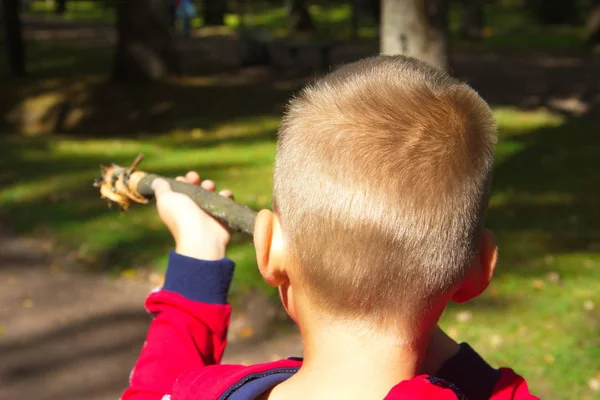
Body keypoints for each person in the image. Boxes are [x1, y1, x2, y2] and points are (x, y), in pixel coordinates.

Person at [121, 55, 539, 400]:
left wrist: (197, 261)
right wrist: (428, 299)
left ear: (268, 250)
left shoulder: (204, 393)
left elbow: (153, 391)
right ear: (480, 269)